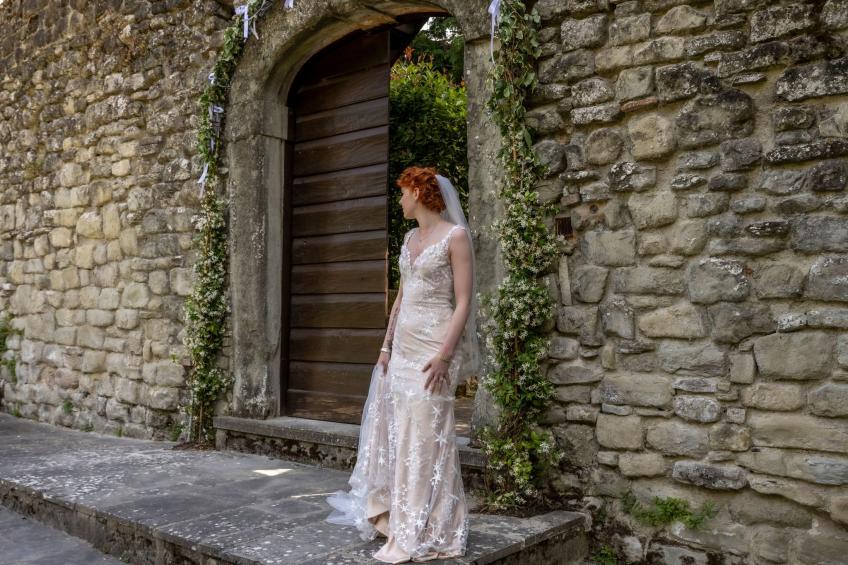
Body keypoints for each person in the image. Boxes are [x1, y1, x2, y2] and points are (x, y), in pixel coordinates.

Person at [325, 166, 481, 563]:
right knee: (400, 435)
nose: (399, 200)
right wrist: (385, 346)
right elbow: (401, 296)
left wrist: (445, 355)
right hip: (405, 347)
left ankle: (431, 525)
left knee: (428, 436)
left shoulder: (455, 237)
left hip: (435, 346)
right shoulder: (410, 238)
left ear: (417, 191)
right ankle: (402, 519)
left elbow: (463, 301)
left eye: (402, 193)